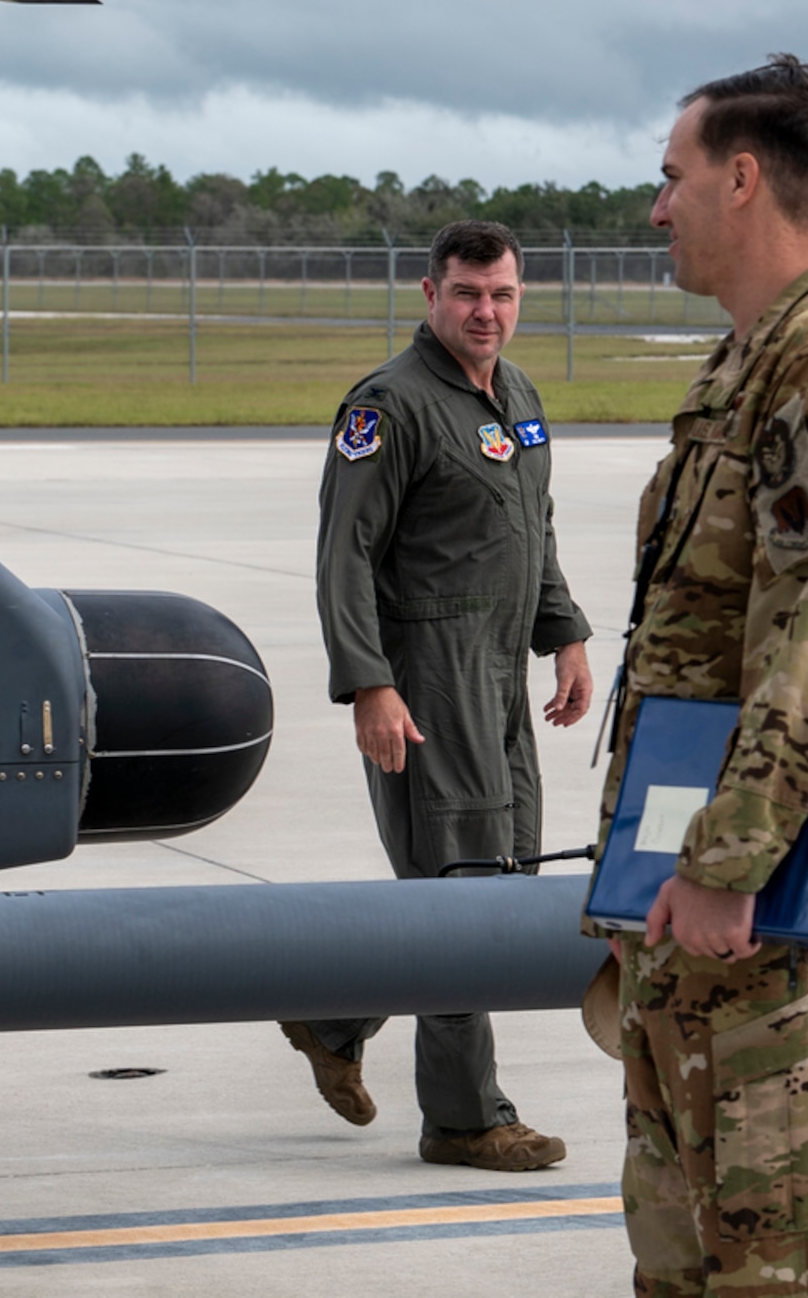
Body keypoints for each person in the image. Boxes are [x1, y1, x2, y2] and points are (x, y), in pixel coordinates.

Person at [598, 57, 808, 1295]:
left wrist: (726, 867)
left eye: (670, 177)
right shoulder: (742, 363)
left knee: (779, 1268)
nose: (655, 207)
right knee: (682, 1254)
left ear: (741, 180)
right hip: (693, 883)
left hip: (771, 899)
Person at [284, 219, 594, 1172]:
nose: (485, 312)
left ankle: (331, 1015)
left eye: (502, 294)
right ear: (430, 295)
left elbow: (529, 520)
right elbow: (345, 556)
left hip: (501, 675)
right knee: (462, 889)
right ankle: (464, 1116)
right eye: (467, 293)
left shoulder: (516, 393)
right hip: (427, 677)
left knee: (502, 885)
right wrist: (369, 684)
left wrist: (567, 632)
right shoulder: (389, 405)